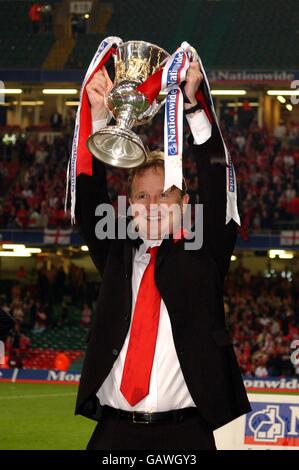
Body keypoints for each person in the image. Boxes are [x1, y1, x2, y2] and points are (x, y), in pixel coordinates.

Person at [74, 60, 251, 450]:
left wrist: (192, 108)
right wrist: (99, 119)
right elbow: (88, 201)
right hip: (114, 434)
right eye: (141, 196)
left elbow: (221, 190)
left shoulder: (204, 253)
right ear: (129, 207)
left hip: (186, 435)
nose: (152, 205)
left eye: (164, 194)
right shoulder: (116, 256)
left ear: (184, 203)